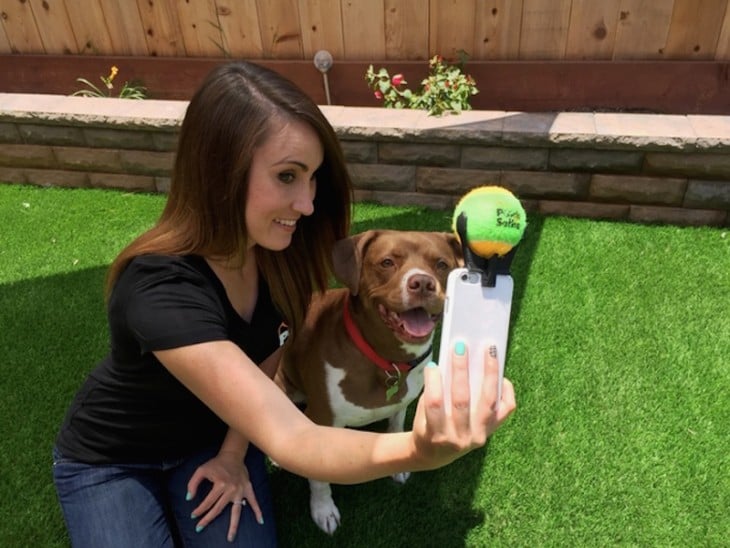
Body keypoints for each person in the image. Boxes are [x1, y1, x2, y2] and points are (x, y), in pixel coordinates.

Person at [52, 61, 516, 547]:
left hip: (220, 434)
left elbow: (265, 361)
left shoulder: (278, 259)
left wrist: (233, 455)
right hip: (117, 457)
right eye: (287, 176)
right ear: (219, 173)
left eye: (312, 178)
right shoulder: (157, 287)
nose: (308, 203)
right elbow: (295, 439)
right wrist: (418, 451)